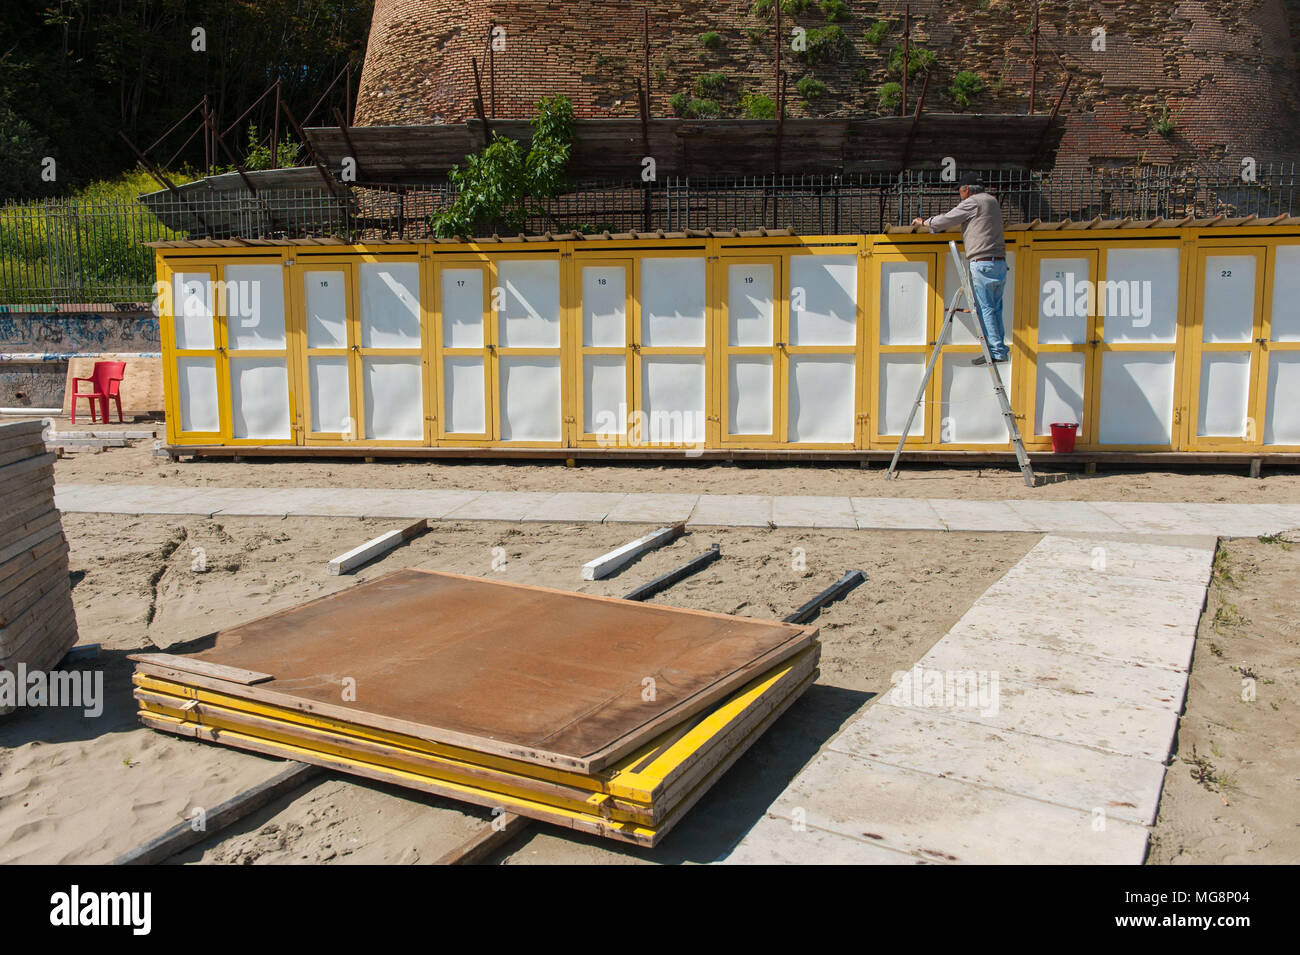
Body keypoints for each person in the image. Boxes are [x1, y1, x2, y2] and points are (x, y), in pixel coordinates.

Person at [912, 172, 1009, 364]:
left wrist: (925, 222)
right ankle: (1000, 349)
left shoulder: (973, 202)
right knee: (996, 308)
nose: (960, 195)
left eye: (960, 191)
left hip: (982, 263)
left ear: (966, 189)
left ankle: (996, 352)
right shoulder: (992, 201)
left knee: (986, 308)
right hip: (999, 263)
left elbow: (947, 219)